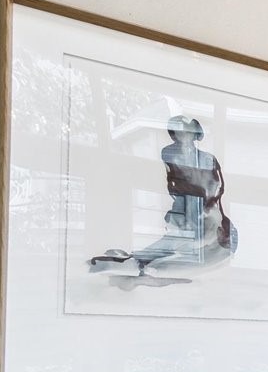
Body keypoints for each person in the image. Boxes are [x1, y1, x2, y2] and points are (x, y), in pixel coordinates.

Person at [88, 115, 239, 288]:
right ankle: (131, 263)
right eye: (179, 132)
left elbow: (215, 190)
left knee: (168, 262)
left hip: (209, 230)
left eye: (188, 132)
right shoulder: (170, 154)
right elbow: (177, 186)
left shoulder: (207, 160)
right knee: (168, 253)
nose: (184, 136)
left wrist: (199, 208)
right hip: (192, 220)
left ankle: (133, 265)